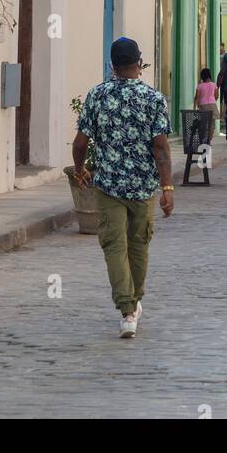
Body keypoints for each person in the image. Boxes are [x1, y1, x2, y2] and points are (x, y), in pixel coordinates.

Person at [72, 38, 174, 339]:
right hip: (143, 188)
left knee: (114, 247)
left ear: (112, 66)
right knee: (139, 245)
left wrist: (80, 171)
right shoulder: (154, 99)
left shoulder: (97, 96)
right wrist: (167, 186)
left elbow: (80, 143)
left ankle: (127, 311)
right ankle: (134, 300)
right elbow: (161, 149)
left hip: (108, 187)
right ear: (139, 64)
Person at [193, 67, 219, 148]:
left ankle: (203, 139)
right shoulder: (214, 85)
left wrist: (195, 107)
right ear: (209, 76)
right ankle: (209, 141)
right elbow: (216, 96)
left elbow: (196, 97)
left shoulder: (200, 86)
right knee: (212, 125)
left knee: (203, 125)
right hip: (212, 105)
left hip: (203, 106)